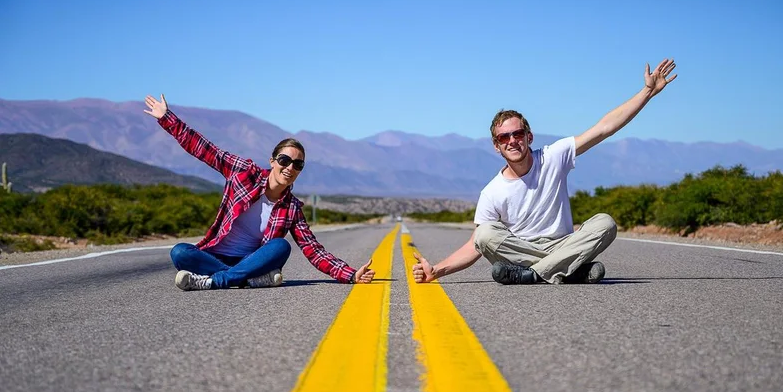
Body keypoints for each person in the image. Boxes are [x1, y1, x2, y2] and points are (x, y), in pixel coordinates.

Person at [413, 59, 678, 285]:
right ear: (497, 146)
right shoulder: (492, 192)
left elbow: (603, 129)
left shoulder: (553, 156)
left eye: (517, 134)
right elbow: (474, 247)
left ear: (529, 136)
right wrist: (436, 271)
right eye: (504, 137)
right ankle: (570, 271)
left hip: (562, 244)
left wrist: (647, 92)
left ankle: (533, 275)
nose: (512, 141)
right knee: (484, 234)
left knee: (605, 223)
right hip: (521, 250)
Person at [143, 94, 375, 291]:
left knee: (280, 247)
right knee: (180, 253)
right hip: (215, 256)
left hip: (252, 260)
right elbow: (205, 150)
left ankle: (215, 281)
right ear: (272, 161)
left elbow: (314, 250)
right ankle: (246, 280)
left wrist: (351, 275)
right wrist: (167, 119)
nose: (290, 167)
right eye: (285, 160)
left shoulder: (292, 208)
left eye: (298, 165)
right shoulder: (243, 173)